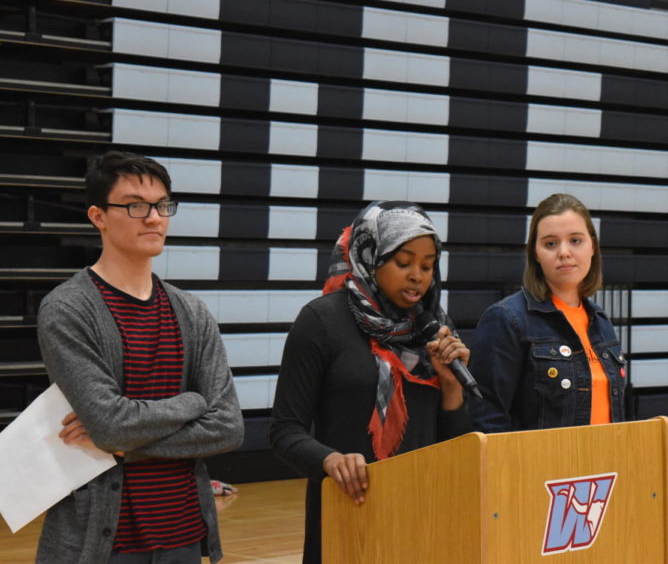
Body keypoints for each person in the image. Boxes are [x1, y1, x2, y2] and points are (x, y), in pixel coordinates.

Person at [35, 151, 244, 564]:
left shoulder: (192, 312)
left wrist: (123, 442)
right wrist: (191, 403)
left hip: (184, 531)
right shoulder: (68, 308)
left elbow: (228, 427)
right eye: (135, 206)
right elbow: (111, 425)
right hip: (101, 543)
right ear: (98, 216)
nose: (154, 218)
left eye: (162, 205)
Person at [269, 201, 472, 564]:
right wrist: (329, 460)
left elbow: (453, 447)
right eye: (404, 262)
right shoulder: (321, 321)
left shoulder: (435, 330)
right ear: (369, 256)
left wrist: (451, 387)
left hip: (422, 521)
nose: (418, 276)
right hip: (348, 514)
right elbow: (285, 431)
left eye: (427, 266)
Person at [467, 193, 627, 432]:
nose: (564, 252)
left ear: (592, 246)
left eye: (575, 240)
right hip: (540, 468)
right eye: (550, 243)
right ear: (535, 253)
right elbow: (487, 419)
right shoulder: (506, 319)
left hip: (603, 467)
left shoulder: (601, 321)